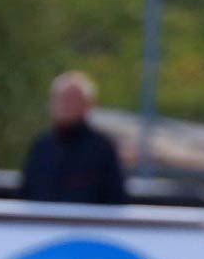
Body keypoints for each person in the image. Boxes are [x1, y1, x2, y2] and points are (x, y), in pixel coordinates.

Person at [20, 71, 127, 204]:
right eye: (60, 98)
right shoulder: (41, 147)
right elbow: (26, 194)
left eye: (72, 99)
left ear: (88, 105)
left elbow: (115, 200)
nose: (65, 105)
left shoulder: (102, 150)